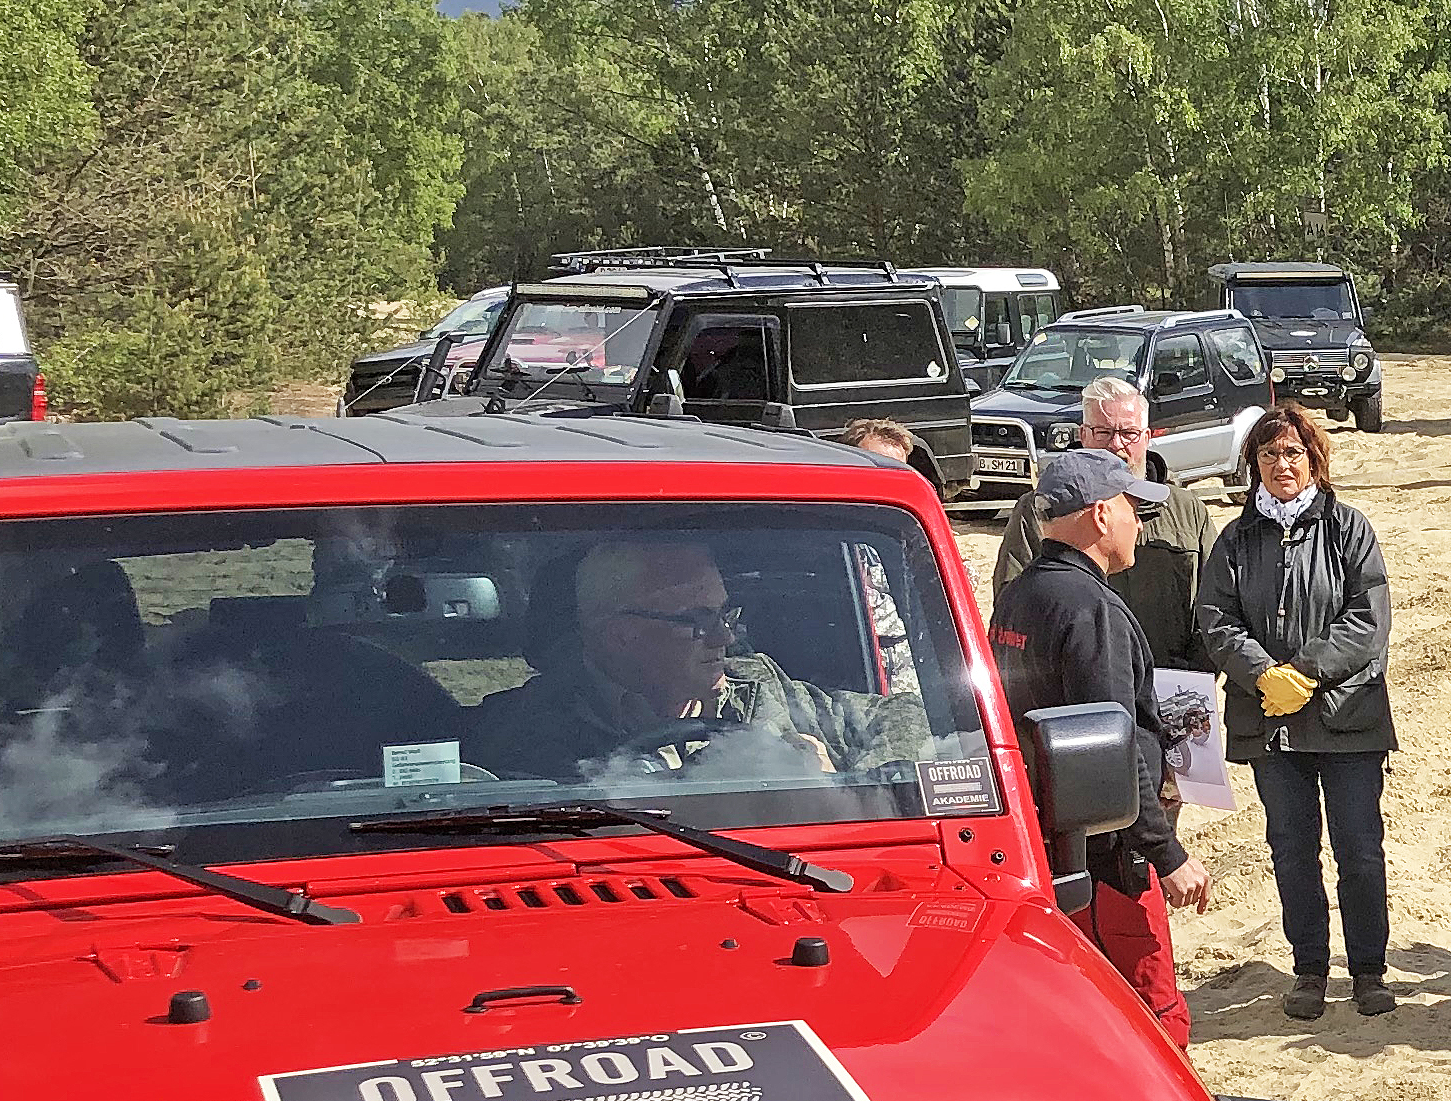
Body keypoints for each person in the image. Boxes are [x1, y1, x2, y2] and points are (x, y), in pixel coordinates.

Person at [990, 453, 1212, 1045]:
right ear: (1100, 514)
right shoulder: (1094, 609)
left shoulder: (1019, 596)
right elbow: (1114, 749)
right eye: (1133, 510)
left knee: (1078, 1013)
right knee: (1154, 1013)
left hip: (1046, 847)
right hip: (1110, 860)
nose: (1139, 523)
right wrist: (1166, 855)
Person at [1198, 403, 1399, 1021]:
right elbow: (1216, 617)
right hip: (1270, 724)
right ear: (1253, 465)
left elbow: (1369, 618)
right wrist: (1263, 673)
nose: (1282, 466)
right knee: (1291, 848)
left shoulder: (1348, 528)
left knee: (1360, 848)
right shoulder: (1235, 538)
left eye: (1293, 453)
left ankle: (1368, 969)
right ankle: (1309, 968)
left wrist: (1307, 672)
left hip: (1347, 718)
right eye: (1268, 455)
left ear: (1314, 458)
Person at [467, 536, 924, 784]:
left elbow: (906, 715)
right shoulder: (521, 727)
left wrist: (851, 785)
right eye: (697, 621)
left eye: (726, 614)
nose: (725, 637)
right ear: (622, 634)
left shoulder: (761, 683)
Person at [992, 379, 1222, 673]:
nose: (1116, 445)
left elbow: (1216, 604)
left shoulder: (1186, 511)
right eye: (1103, 432)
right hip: (1079, 686)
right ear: (1083, 435)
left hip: (1173, 686)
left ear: (1147, 436)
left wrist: (1192, 674)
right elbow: (1014, 606)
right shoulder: (1041, 509)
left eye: (1128, 433)